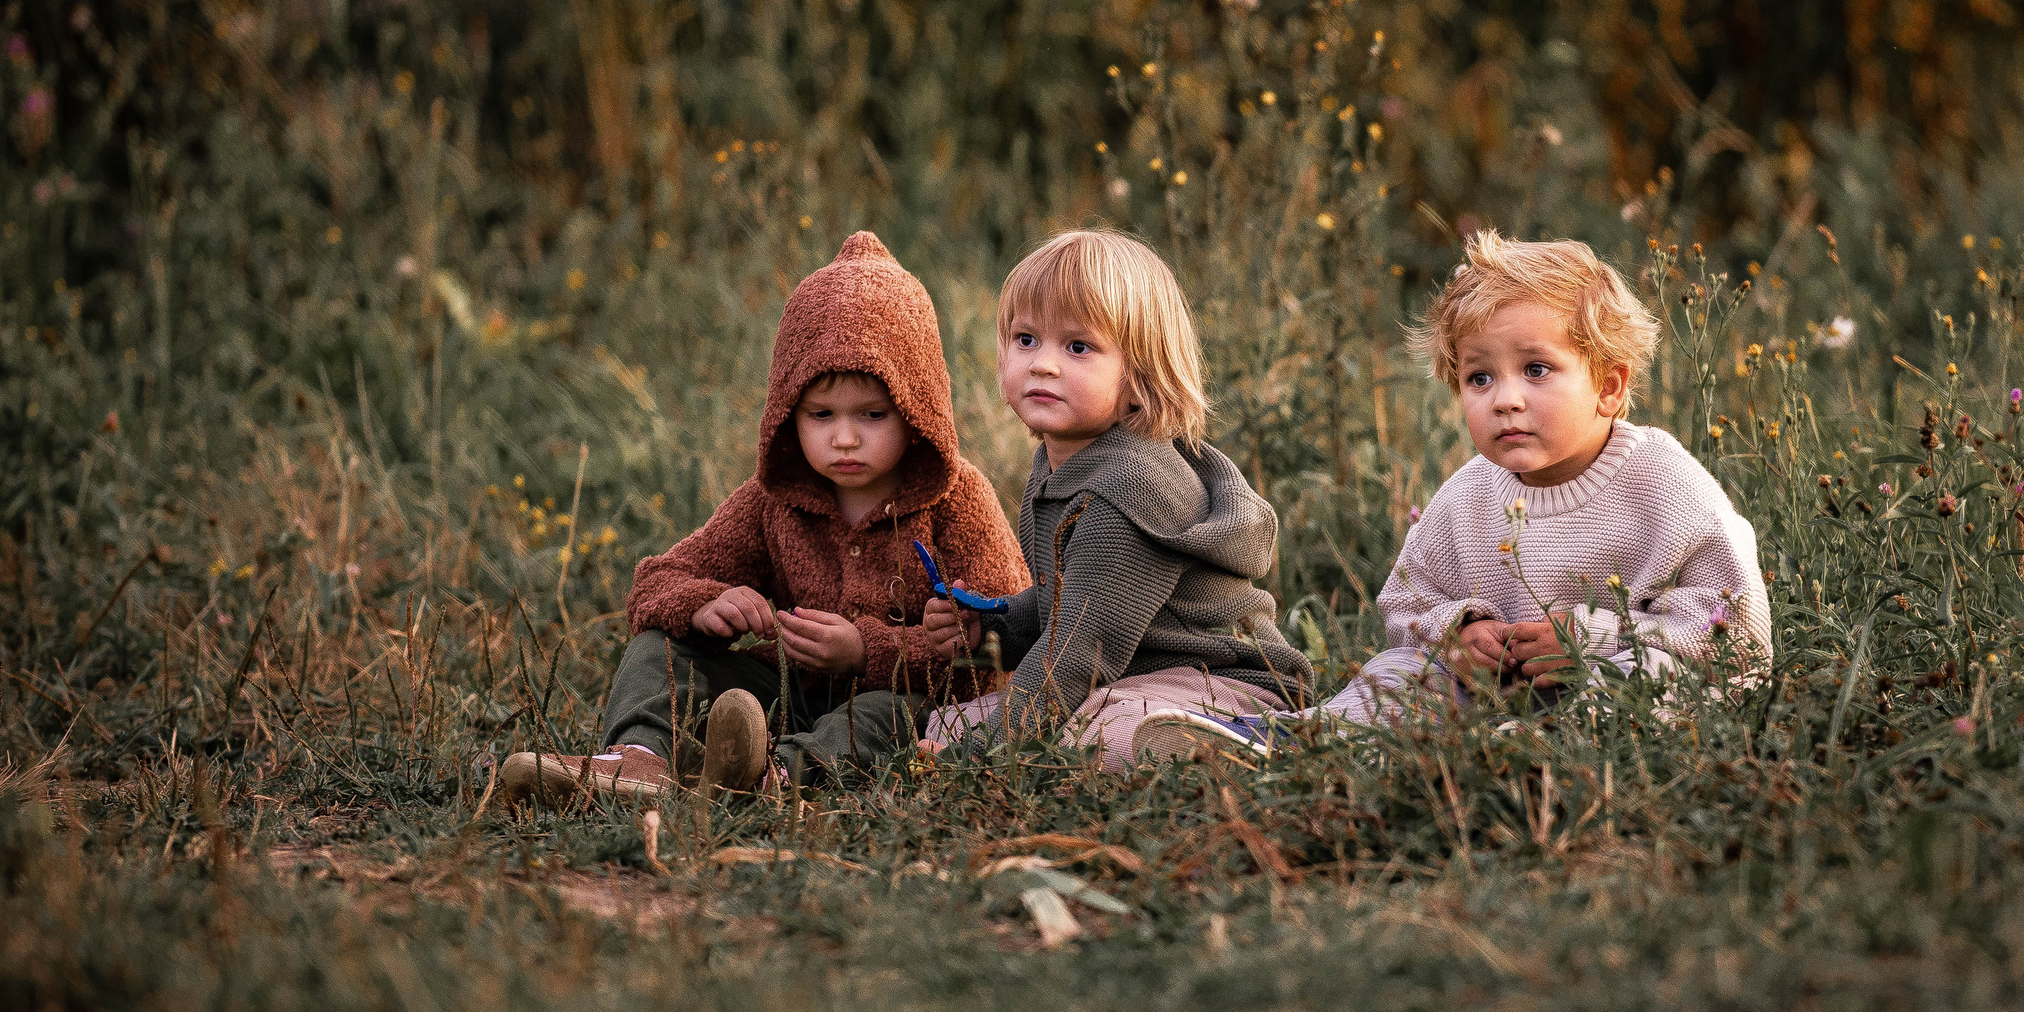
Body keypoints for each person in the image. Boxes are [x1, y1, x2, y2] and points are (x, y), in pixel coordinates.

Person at [497, 231, 1026, 806]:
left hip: (906, 697)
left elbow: (1001, 646)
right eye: (820, 414)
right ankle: (639, 764)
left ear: (918, 411)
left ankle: (768, 778)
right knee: (659, 651)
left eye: (873, 414)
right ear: (787, 412)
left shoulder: (956, 499)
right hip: (785, 692)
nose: (844, 437)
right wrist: (704, 604)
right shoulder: (773, 500)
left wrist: (867, 652)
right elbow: (655, 584)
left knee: (882, 720)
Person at [1302, 229, 1768, 730]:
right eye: (1479, 378)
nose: (1505, 400)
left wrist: (1595, 638)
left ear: (1608, 388)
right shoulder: (1468, 495)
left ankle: (1550, 748)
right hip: (1497, 695)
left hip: (1618, 686)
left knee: (1653, 674)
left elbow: (1738, 629)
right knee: (1397, 672)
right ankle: (1301, 737)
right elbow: (1406, 601)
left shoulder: (1664, 484)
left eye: (1537, 369)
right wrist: (1458, 633)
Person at [917, 229, 1312, 767]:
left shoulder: (1129, 486)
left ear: (1139, 378)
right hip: (1137, 677)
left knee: (1100, 729)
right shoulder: (1061, 462)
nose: (1043, 364)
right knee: (950, 720)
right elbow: (1070, 599)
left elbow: (1080, 649)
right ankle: (1171, 744)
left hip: (1223, 679)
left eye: (1078, 347)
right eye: (1025, 339)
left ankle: (1256, 739)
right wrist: (993, 625)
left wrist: (981, 753)